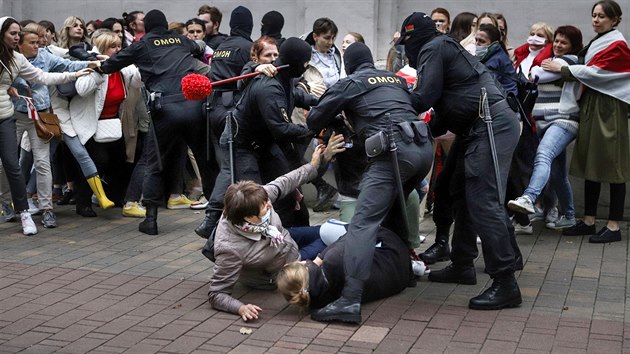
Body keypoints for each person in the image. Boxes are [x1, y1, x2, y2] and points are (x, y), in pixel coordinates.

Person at [398, 12, 522, 310]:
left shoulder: (434, 47)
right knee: (454, 188)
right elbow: (442, 113)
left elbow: (424, 97)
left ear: (414, 38)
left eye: (407, 43)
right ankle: (463, 264)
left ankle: (505, 282)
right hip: (476, 125)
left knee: (483, 199)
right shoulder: (441, 48)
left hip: (489, 122)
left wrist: (390, 92)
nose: (406, 50)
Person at [306, 42, 433, 323]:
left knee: (364, 223)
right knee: (395, 211)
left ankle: (349, 301)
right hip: (423, 147)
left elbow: (314, 119)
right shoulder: (395, 79)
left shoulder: (350, 82)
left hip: (392, 150)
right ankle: (404, 271)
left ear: (348, 65)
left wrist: (338, 113)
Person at [100, 9, 217, 235]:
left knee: (155, 164)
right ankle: (214, 217)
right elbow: (199, 47)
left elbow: (111, 65)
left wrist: (99, 64)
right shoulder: (181, 40)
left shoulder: (142, 45)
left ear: (147, 27)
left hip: (165, 110)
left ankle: (151, 220)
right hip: (193, 105)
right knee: (205, 161)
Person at [207, 137, 344, 321]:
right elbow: (216, 293)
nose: (269, 206)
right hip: (286, 265)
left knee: (330, 230)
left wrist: (313, 165)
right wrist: (240, 308)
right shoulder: (230, 248)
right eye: (265, 206)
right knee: (333, 243)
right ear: (248, 217)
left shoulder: (256, 197)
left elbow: (287, 181)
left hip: (284, 238)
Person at [545, 0, 629, 243]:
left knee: (614, 166)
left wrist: (564, 70)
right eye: (594, 15)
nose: (596, 19)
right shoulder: (600, 41)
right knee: (592, 161)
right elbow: (591, 69)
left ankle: (613, 226)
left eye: (602, 16)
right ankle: (589, 220)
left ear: (614, 20)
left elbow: (598, 73)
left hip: (610, 108)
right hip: (594, 105)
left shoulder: (617, 44)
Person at [0, 16, 91, 235]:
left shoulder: (20, 58)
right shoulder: (13, 59)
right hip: (17, 115)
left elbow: (45, 76)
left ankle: (39, 209)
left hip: (26, 117)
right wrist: (12, 87)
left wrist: (78, 72)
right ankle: (6, 202)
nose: (37, 45)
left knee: (30, 163)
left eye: (39, 42)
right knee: (5, 165)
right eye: (15, 34)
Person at [507, 26, 583, 231]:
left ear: (572, 47)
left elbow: (537, 74)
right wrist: (539, 68)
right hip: (543, 123)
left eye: (563, 43)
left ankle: (529, 198)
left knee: (543, 155)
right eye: (556, 41)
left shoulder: (570, 62)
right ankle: (569, 215)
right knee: (558, 173)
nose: (558, 45)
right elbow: (535, 71)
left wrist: (540, 68)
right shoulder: (552, 62)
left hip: (563, 121)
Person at [195, 6, 254, 239]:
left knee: (226, 164)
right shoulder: (246, 48)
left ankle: (225, 216)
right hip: (232, 110)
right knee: (230, 166)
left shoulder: (222, 47)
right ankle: (213, 218)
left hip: (213, 108)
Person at [278, 226, 425, 313]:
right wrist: (318, 259)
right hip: (396, 256)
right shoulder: (333, 260)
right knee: (352, 228)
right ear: (304, 267)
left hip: (400, 280)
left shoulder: (318, 303)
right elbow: (356, 232)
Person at [476, 24, 518, 95]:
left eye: (482, 41)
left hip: (505, 100)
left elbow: (485, 83)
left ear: (493, 44)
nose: (477, 44)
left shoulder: (496, 60)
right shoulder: (492, 55)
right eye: (476, 40)